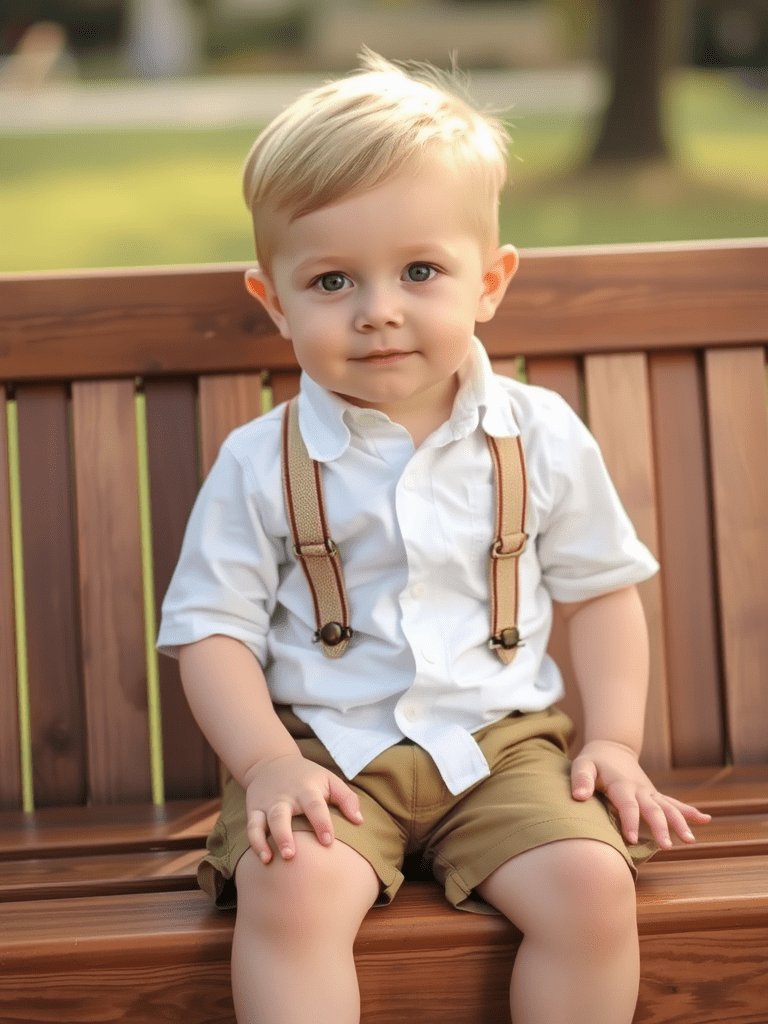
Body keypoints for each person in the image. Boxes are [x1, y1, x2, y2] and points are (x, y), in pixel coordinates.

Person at [157, 49, 710, 1024]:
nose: (379, 311)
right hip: (321, 753)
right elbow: (211, 629)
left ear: (489, 281)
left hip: (501, 751)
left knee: (591, 886)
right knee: (292, 889)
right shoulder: (261, 461)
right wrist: (266, 765)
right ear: (274, 300)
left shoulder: (537, 436)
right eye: (332, 281)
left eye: (420, 270)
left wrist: (617, 739)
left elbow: (597, 591)